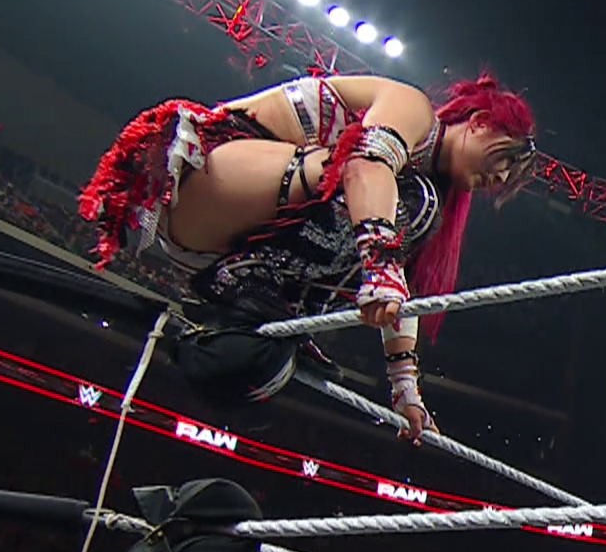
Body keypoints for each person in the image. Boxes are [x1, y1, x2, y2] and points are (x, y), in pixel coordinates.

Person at [79, 72, 537, 441]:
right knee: (399, 199)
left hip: (219, 250)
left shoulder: (424, 194)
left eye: (510, 178)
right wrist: (380, 268)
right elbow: (364, 165)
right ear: (479, 123)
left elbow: (406, 293)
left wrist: (405, 390)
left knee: (408, 218)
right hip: (209, 181)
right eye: (506, 160)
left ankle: (266, 296)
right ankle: (265, 287)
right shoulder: (412, 109)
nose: (500, 179)